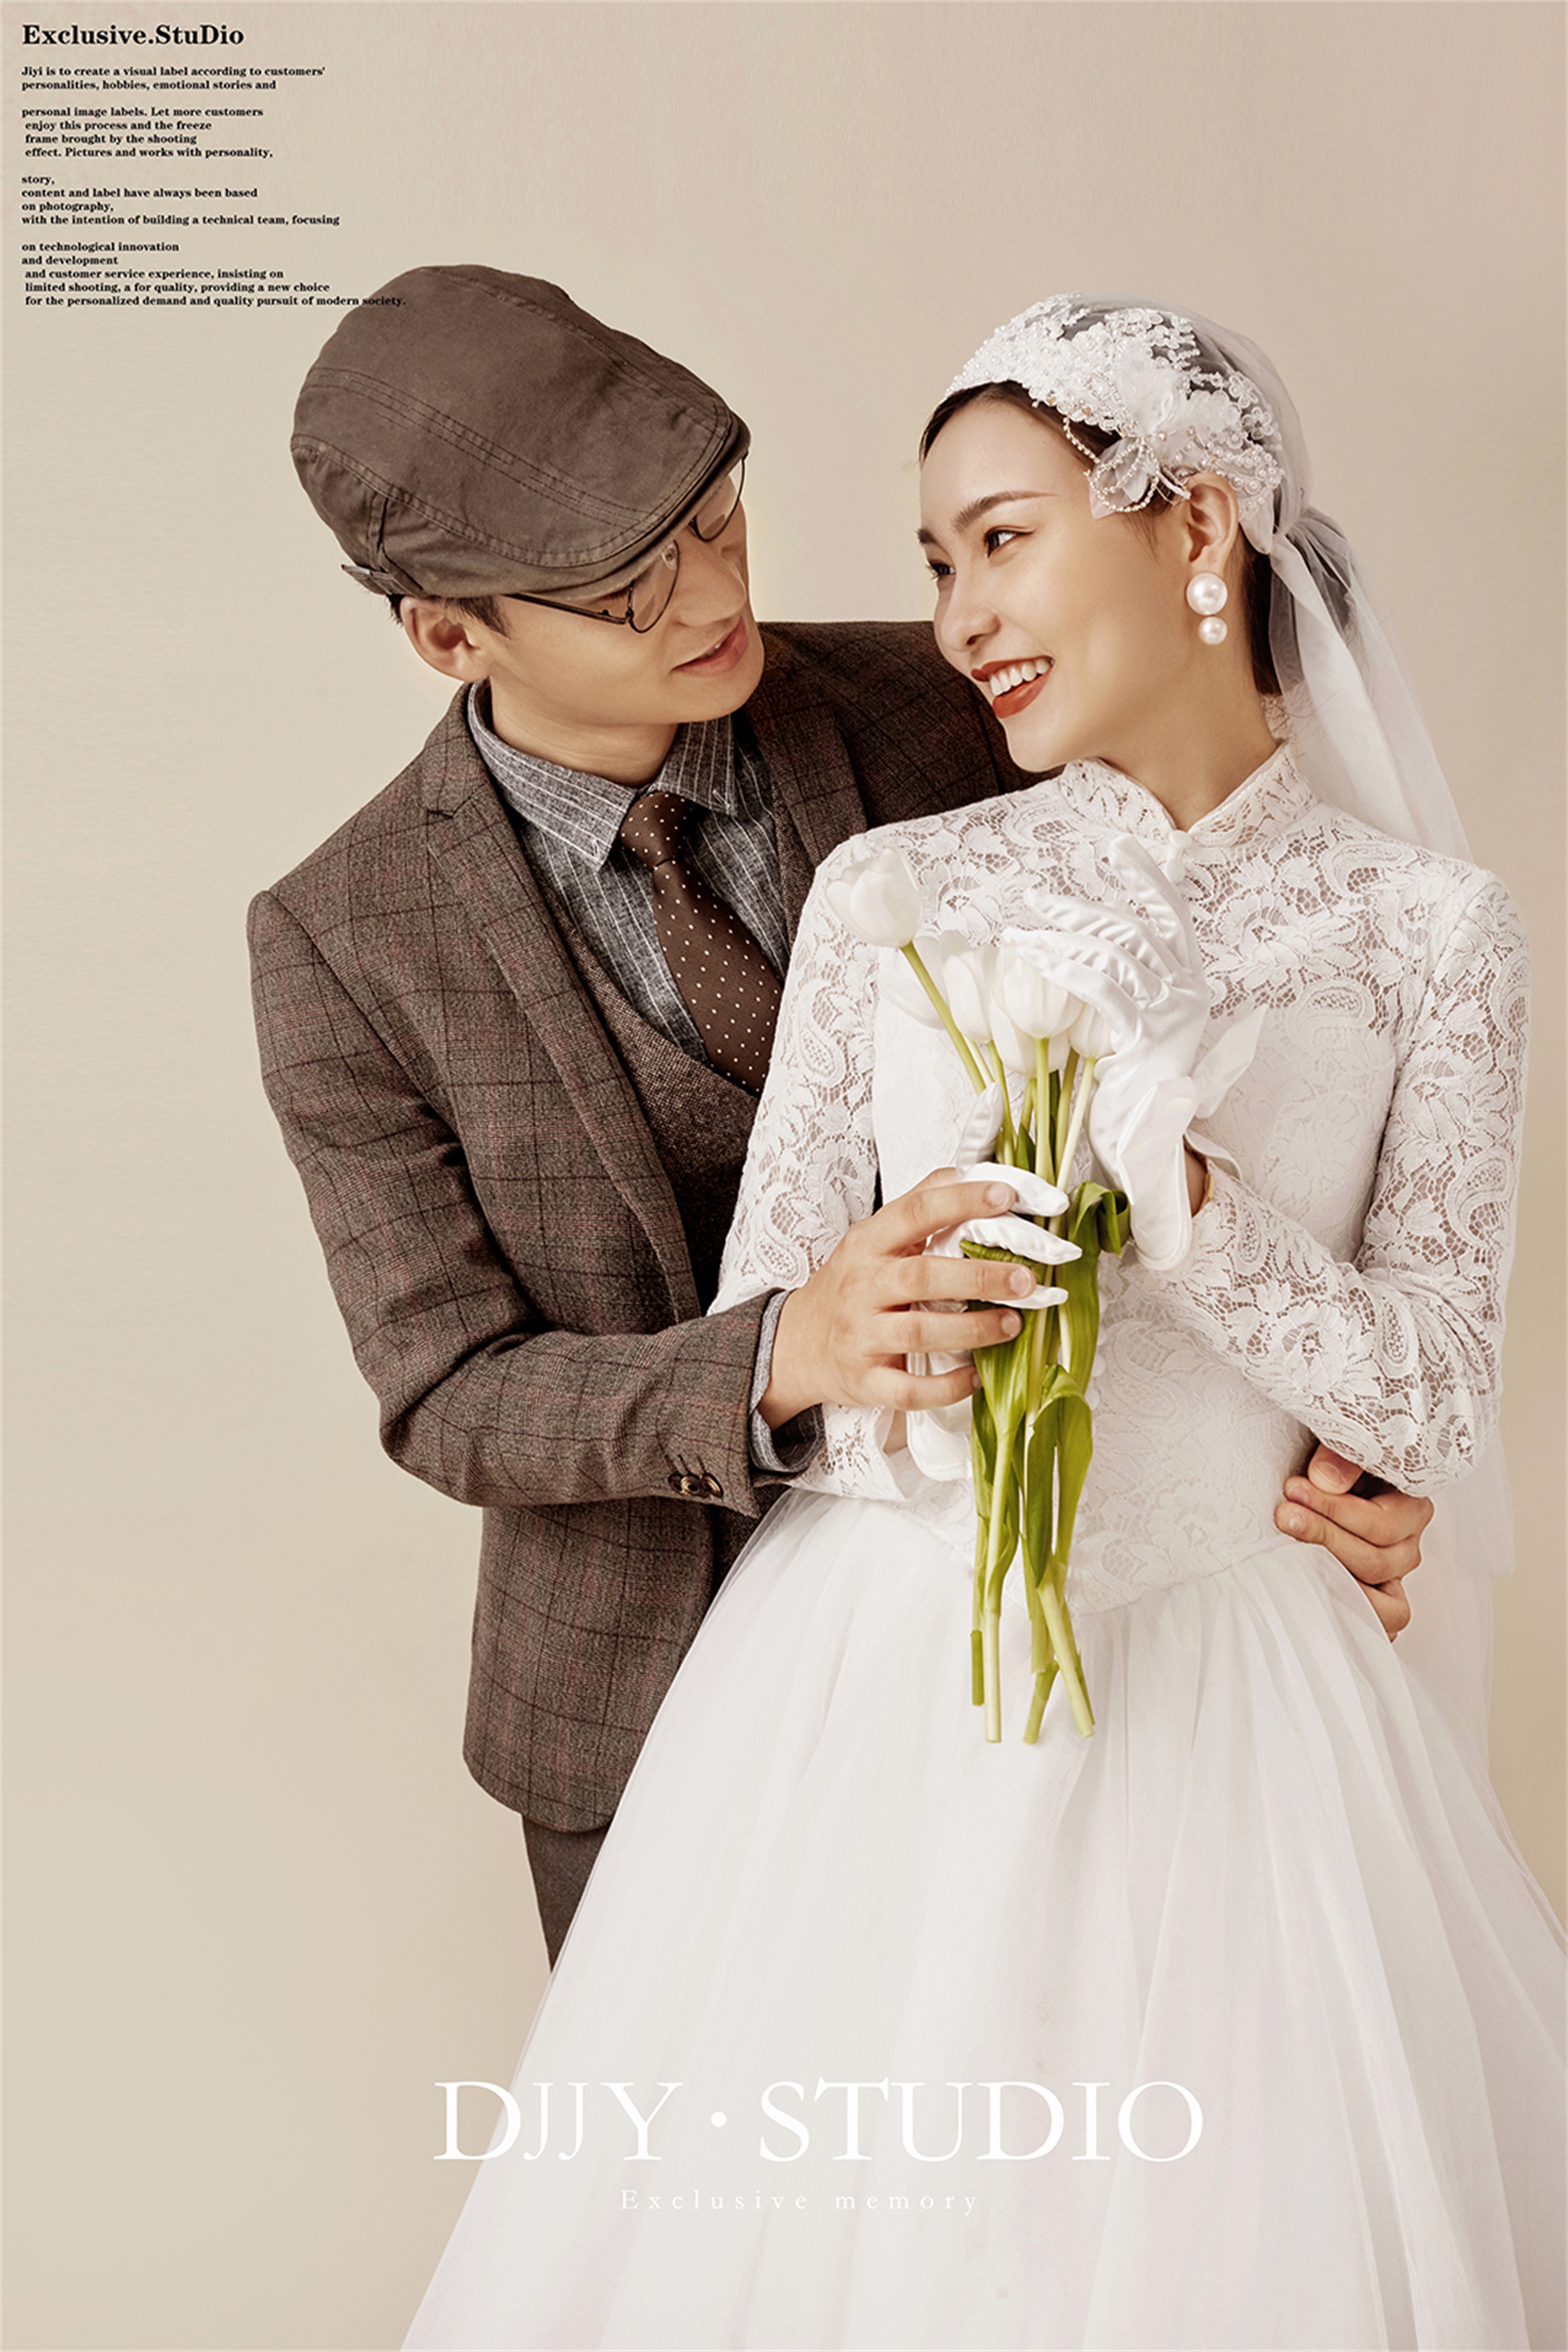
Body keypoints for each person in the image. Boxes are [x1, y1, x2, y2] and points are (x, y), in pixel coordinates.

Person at [400, 298, 1565, 2351]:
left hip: (1247, 1698)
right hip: (885, 1679)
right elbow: (777, 1330)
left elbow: (1439, 1397)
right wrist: (902, 1354)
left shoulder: (1432, 932)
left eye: (1001, 541)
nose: (955, 619)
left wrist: (1194, 1214)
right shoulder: (897, 890)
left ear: (1192, 524)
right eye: (937, 561)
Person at [251, 267, 1430, 1966]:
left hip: (1037, 1668)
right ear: (452, 635)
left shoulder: (959, 700)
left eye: (714, 514)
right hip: (634, 1698)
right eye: (631, 585)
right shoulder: (344, 935)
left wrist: (1328, 1466)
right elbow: (447, 1387)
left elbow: (1249, 1015)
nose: (714, 590)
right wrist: (779, 1353)